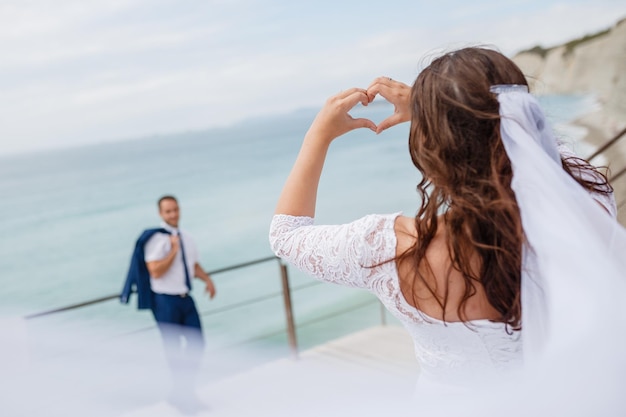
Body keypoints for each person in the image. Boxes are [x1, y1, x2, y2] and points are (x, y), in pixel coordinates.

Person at [269, 46, 626, 408]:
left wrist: (317, 136)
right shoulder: (585, 198)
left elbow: (285, 235)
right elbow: (542, 156)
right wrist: (438, 107)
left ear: (430, 149)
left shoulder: (392, 247)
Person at [121, 195, 216, 414]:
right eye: (168, 211)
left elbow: (192, 265)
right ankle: (184, 397)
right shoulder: (156, 239)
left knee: (197, 345)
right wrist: (172, 250)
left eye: (175, 210)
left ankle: (182, 392)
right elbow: (155, 270)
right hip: (164, 301)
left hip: (185, 298)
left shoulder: (187, 237)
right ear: (161, 214)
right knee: (174, 351)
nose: (173, 214)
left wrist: (208, 279)